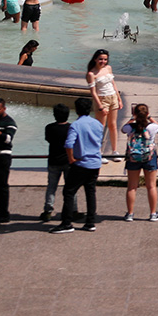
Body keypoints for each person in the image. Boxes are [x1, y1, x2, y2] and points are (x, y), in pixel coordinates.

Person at [50, 97, 103, 234]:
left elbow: (68, 144)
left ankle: (67, 223)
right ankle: (90, 222)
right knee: (90, 192)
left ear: (77, 110)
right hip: (95, 163)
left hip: (81, 163)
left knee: (69, 191)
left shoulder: (76, 125)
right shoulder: (98, 124)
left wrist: (71, 158)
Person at [122, 103, 158, 222]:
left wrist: (132, 118)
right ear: (147, 114)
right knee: (151, 186)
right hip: (149, 157)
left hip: (133, 158)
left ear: (134, 114)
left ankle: (130, 214)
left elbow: (123, 128)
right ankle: (153, 214)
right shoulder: (152, 127)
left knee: (132, 187)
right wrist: (149, 117)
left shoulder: (130, 127)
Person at [86, 50, 123, 160]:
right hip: (102, 99)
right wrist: (100, 106)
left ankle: (114, 151)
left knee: (113, 125)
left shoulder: (108, 68)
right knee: (100, 127)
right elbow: (93, 92)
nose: (103, 61)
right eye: (101, 59)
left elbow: (113, 84)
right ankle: (99, 152)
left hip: (113, 98)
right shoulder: (91, 74)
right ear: (95, 59)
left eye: (105, 59)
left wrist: (119, 99)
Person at [41, 103, 72, 222]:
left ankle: (48, 210)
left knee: (51, 187)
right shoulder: (71, 128)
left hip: (53, 160)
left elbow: (48, 139)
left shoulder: (49, 128)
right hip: (68, 161)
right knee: (70, 187)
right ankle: (72, 210)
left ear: (54, 115)